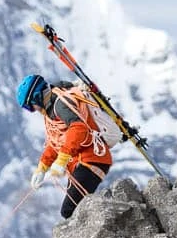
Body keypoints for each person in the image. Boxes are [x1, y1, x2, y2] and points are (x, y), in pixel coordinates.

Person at [17, 73, 113, 219]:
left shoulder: (60, 105)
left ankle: (108, 224)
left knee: (69, 211)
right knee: (76, 209)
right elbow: (55, 142)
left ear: (37, 97)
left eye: (30, 106)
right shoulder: (51, 110)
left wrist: (62, 159)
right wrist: (42, 168)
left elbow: (79, 129)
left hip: (91, 160)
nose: (33, 110)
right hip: (82, 163)